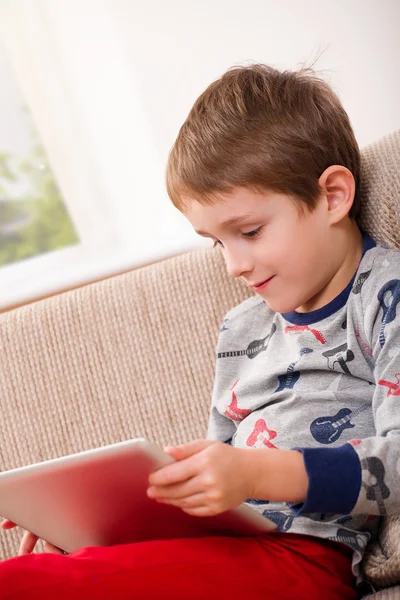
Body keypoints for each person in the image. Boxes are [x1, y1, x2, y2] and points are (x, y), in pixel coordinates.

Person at [0, 62, 399, 600]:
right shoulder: (242, 325)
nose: (234, 264)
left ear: (332, 195)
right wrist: (97, 524)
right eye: (217, 242)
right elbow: (221, 497)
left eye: (250, 231)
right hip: (229, 549)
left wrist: (255, 475)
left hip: (304, 560)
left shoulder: (383, 296)